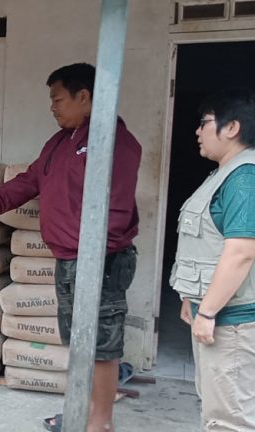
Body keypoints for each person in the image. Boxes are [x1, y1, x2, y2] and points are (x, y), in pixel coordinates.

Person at [0, 63, 141, 432]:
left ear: (83, 97)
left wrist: (95, 259)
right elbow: (30, 181)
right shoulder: (60, 142)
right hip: (71, 259)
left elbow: (116, 210)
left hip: (100, 261)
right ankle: (81, 412)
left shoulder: (114, 142)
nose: (52, 107)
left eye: (58, 99)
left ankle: (99, 423)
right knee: (79, 342)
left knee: (101, 344)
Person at [171, 88, 255, 431]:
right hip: (218, 316)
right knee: (217, 409)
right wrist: (192, 298)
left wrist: (207, 311)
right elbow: (210, 244)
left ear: (232, 127)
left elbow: (241, 252)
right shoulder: (226, 174)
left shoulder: (245, 179)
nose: (197, 131)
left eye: (204, 122)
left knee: (230, 420)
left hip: (232, 323)